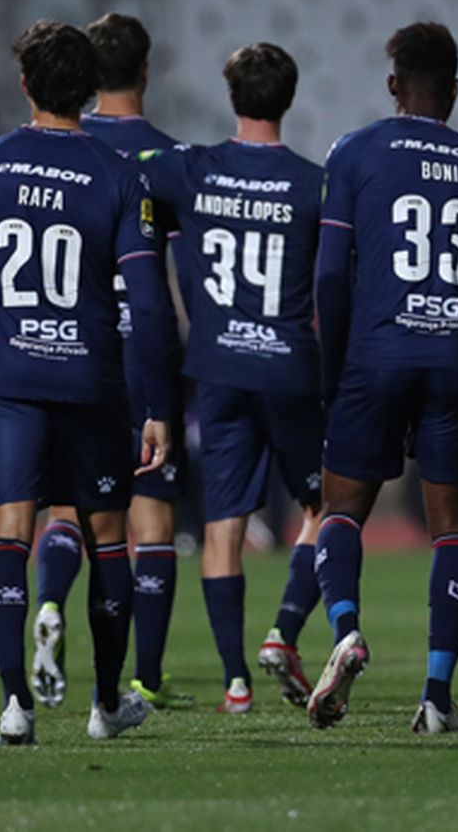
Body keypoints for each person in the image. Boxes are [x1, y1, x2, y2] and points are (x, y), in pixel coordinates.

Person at [0, 20, 175, 745]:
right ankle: (106, 706)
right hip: (91, 378)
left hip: (11, 380)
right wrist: (159, 406)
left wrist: (8, 343)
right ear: (90, 90)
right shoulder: (118, 172)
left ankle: (15, 705)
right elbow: (147, 304)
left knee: (10, 525)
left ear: (24, 85)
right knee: (108, 535)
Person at [310, 22, 458, 734]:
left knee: (341, 511)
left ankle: (345, 632)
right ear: (454, 90)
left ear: (394, 85)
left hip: (374, 353)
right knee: (451, 529)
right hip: (451, 355)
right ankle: (436, 694)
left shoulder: (356, 152)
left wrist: (335, 375)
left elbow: (332, 274)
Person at [138, 42, 326, 713]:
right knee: (324, 507)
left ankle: (235, 681)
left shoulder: (188, 169)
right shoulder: (315, 183)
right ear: (290, 97)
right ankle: (285, 629)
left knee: (223, 524)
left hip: (216, 367)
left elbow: (127, 163)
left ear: (231, 97)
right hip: (288, 366)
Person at [28, 12, 193, 711]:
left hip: (73, 350)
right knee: (150, 519)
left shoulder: (63, 145)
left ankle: (48, 604)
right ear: (147, 70)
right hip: (143, 351)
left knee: (66, 507)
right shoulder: (170, 157)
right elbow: (179, 278)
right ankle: (145, 678)